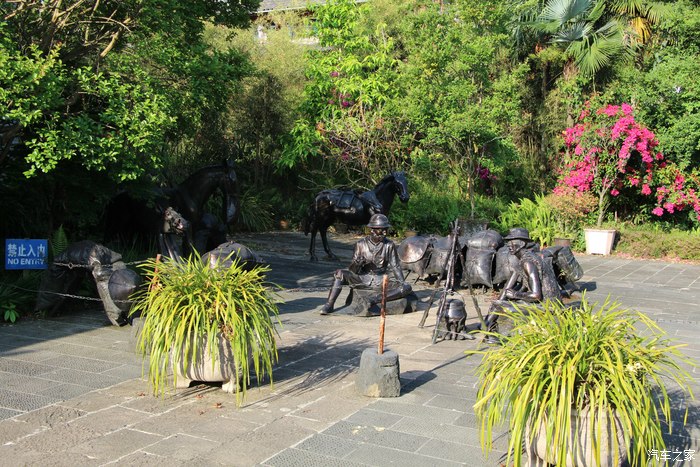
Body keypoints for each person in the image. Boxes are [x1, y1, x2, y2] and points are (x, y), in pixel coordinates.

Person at [321, 214, 412, 315]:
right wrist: (357, 264)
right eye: (381, 230)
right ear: (372, 230)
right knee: (340, 273)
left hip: (381, 281)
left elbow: (395, 266)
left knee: (406, 287)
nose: (385, 232)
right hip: (362, 279)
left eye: (386, 229)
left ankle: (375, 299)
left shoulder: (389, 245)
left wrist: (401, 282)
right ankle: (329, 304)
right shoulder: (360, 244)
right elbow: (353, 271)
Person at [483, 227, 561, 344]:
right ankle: (486, 327)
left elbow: (536, 295)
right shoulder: (526, 258)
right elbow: (523, 285)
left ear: (522, 244)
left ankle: (493, 335)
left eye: (512, 242)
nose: (509, 245)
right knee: (498, 303)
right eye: (508, 242)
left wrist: (516, 294)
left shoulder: (528, 262)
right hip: (548, 302)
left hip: (548, 306)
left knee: (499, 306)